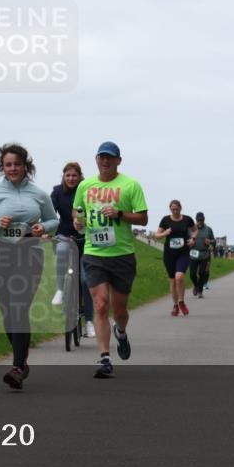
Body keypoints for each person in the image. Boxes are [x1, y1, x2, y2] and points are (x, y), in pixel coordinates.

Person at [0, 143, 59, 390]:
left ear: (25, 165)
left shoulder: (38, 194)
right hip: (0, 254)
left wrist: (43, 227)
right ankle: (22, 360)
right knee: (7, 311)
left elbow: (53, 220)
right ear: (2, 167)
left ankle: (18, 367)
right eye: (8, 165)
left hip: (30, 253)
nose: (13, 169)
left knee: (19, 307)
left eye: (17, 164)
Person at [72, 142, 149, 379]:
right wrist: (78, 221)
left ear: (118, 160)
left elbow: (143, 219)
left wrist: (119, 214)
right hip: (94, 253)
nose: (105, 161)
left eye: (110, 158)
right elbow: (77, 211)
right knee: (100, 304)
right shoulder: (85, 185)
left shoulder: (130, 185)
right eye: (101, 157)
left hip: (122, 255)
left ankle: (121, 332)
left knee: (120, 310)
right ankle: (105, 358)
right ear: (96, 159)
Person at [50, 162, 95, 337]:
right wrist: (46, 229)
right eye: (67, 175)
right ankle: (60, 290)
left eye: (74, 175)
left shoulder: (87, 191)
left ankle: (89, 321)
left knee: (85, 280)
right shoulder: (57, 192)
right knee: (61, 252)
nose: (71, 178)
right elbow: (50, 212)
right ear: (63, 176)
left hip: (85, 240)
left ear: (80, 176)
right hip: (64, 236)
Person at [154, 200, 197, 316]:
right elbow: (157, 235)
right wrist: (165, 233)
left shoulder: (187, 219)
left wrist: (193, 239)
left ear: (180, 208)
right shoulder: (165, 220)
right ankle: (175, 305)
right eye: (172, 209)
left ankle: (181, 301)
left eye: (176, 209)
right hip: (169, 254)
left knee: (179, 277)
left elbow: (195, 230)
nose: (174, 211)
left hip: (183, 253)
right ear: (170, 209)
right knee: (172, 281)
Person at [188, 212, 215, 298]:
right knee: (192, 274)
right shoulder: (190, 229)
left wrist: (210, 241)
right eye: (198, 220)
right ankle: (196, 285)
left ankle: (200, 291)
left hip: (204, 254)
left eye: (201, 220)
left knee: (202, 273)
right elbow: (186, 240)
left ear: (204, 219)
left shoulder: (208, 229)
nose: (200, 222)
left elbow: (214, 241)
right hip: (193, 253)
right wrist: (190, 242)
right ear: (196, 220)